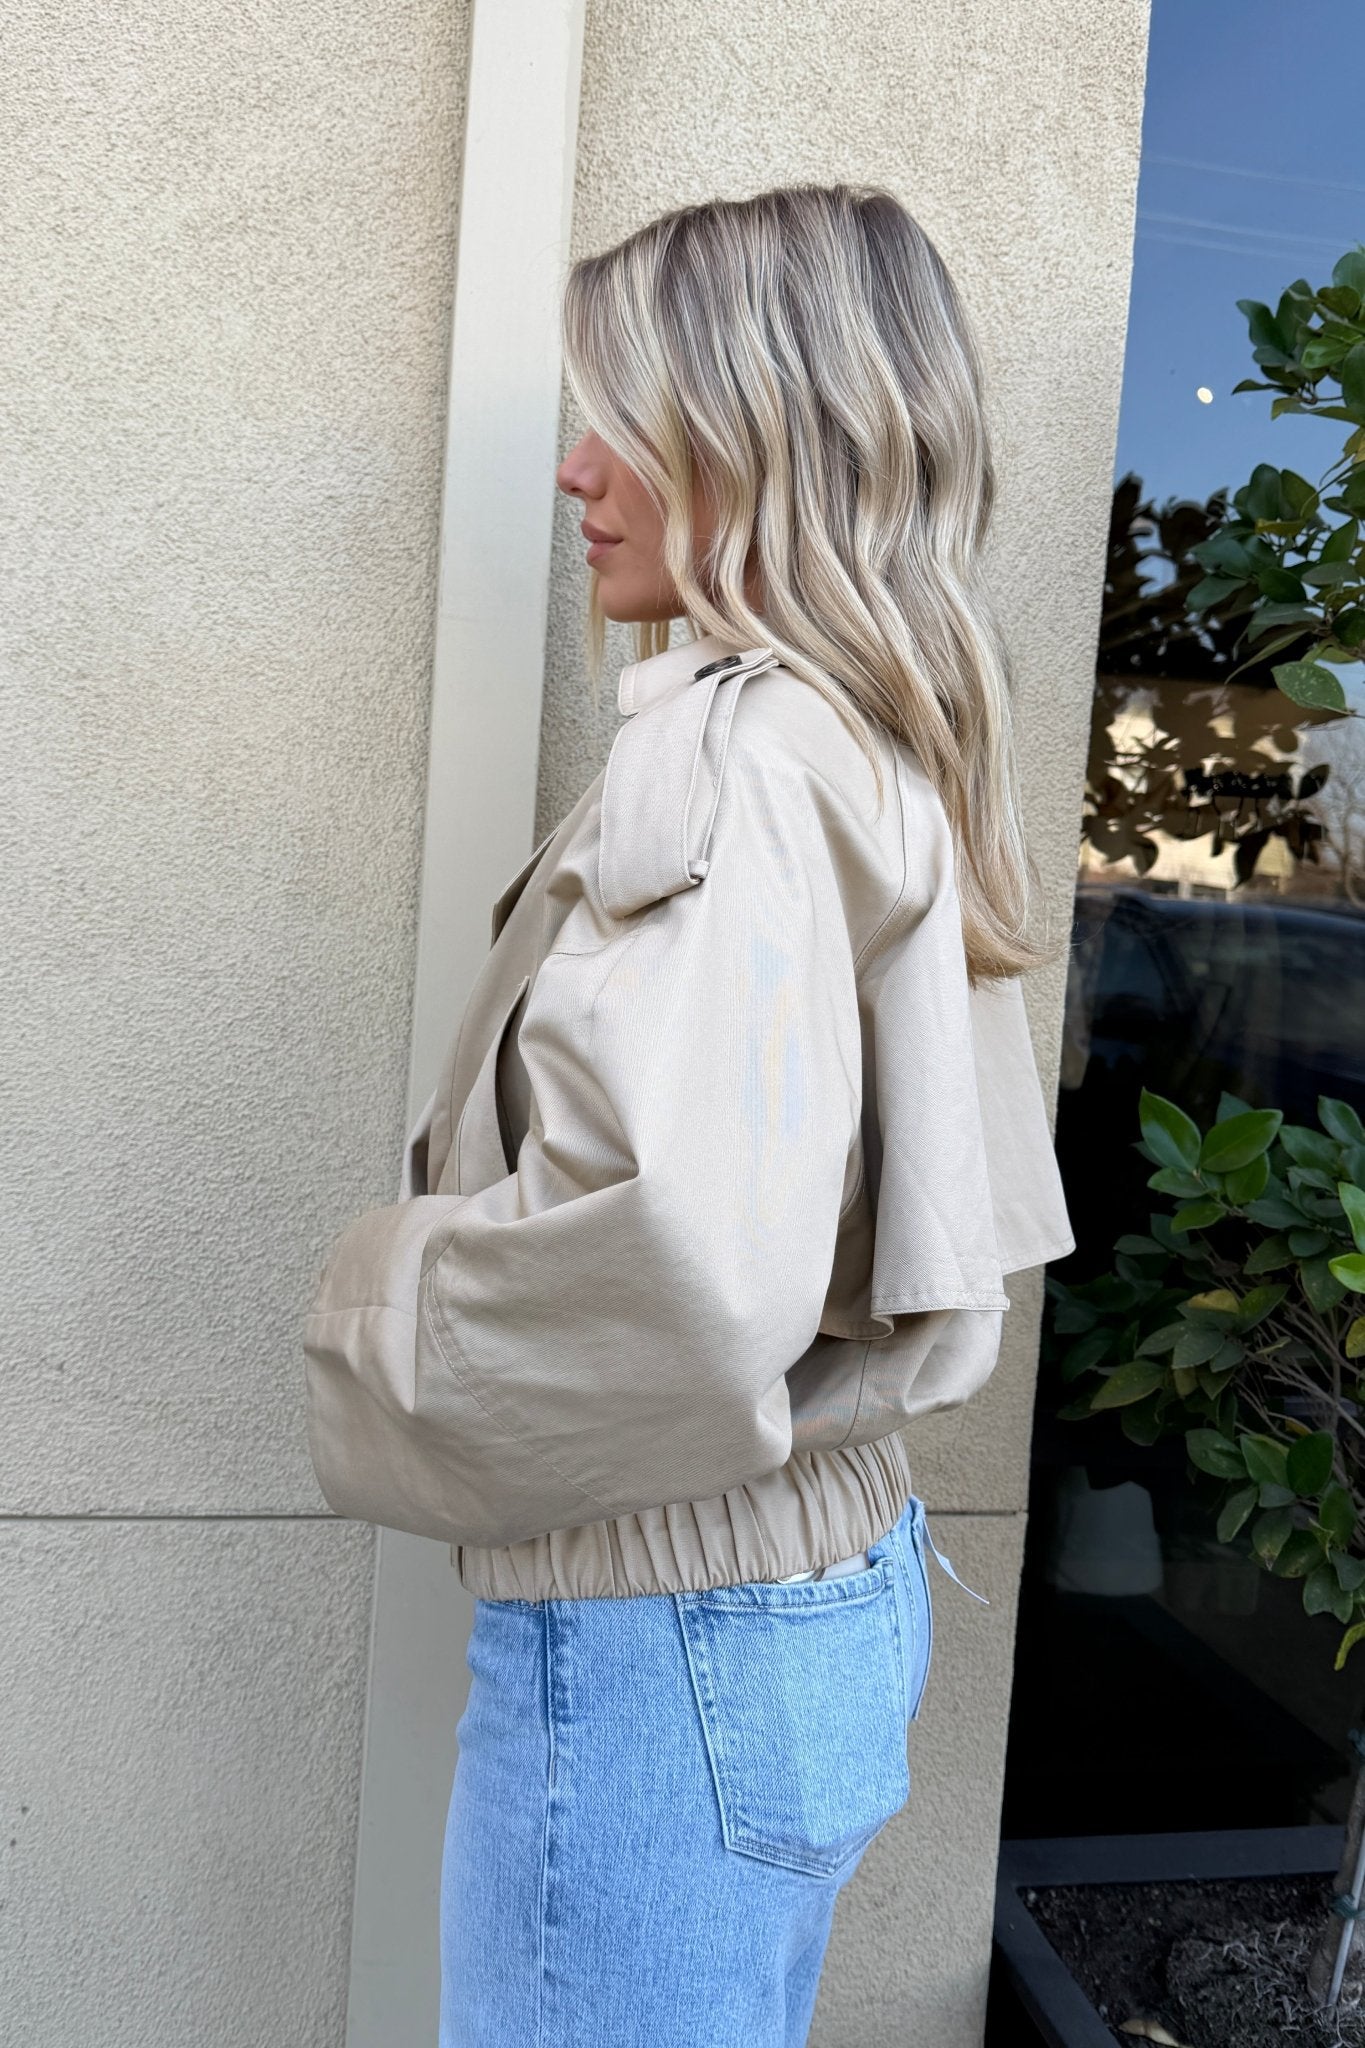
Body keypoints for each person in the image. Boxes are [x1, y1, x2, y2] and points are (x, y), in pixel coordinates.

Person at [303, 183, 1074, 2048]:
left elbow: (669, 1259)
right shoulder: (872, 739)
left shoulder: (733, 755)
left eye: (624, 420)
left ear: (758, 436)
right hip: (802, 1595)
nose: (575, 471)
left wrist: (366, 1310)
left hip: (670, 1644)